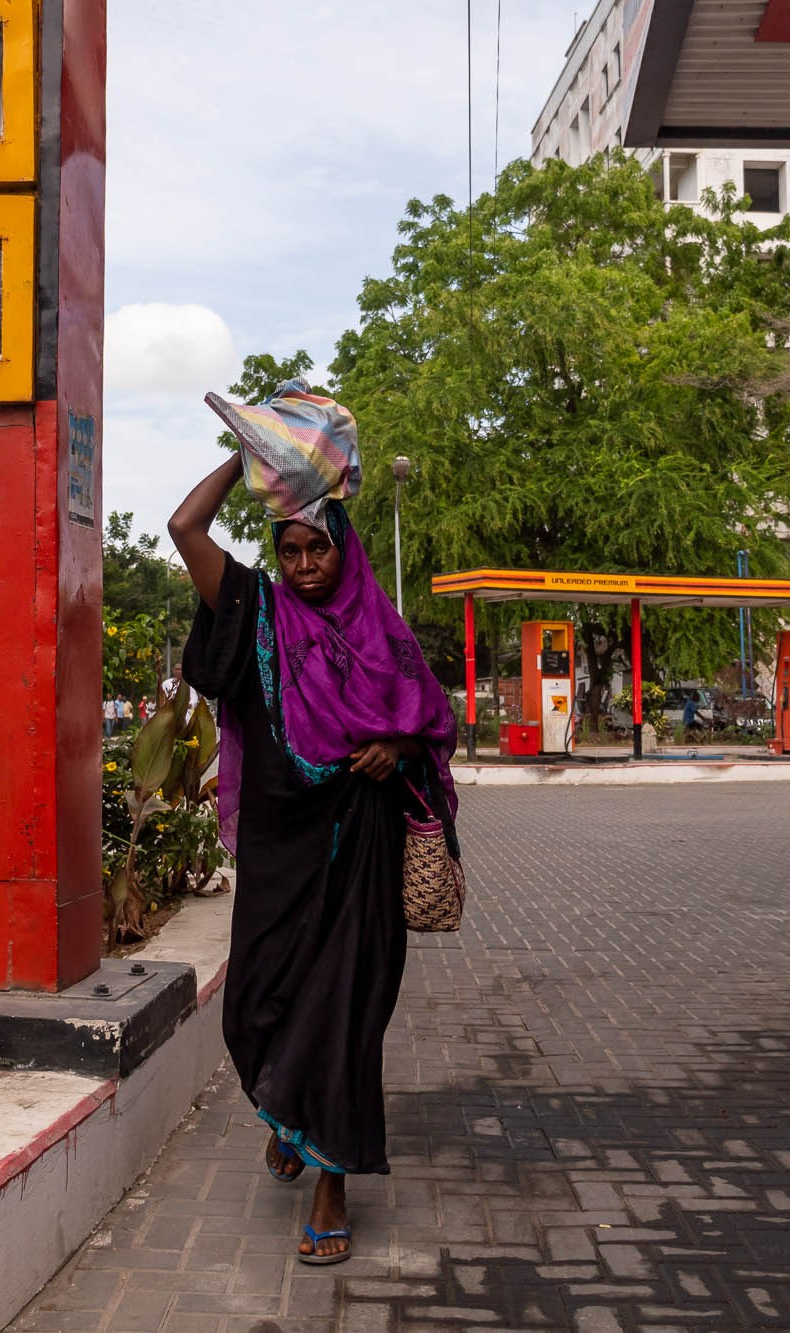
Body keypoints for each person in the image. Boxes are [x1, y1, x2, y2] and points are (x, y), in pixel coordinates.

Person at [169, 452, 458, 1267]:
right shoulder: (257, 608)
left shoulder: (382, 629)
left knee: (345, 1014)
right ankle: (287, 1116)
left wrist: (398, 742)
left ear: (345, 548)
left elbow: (433, 723)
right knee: (254, 1004)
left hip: (362, 849)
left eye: (317, 549)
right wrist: (251, 453)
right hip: (278, 853)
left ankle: (332, 1183)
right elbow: (185, 527)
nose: (302, 567)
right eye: (289, 550)